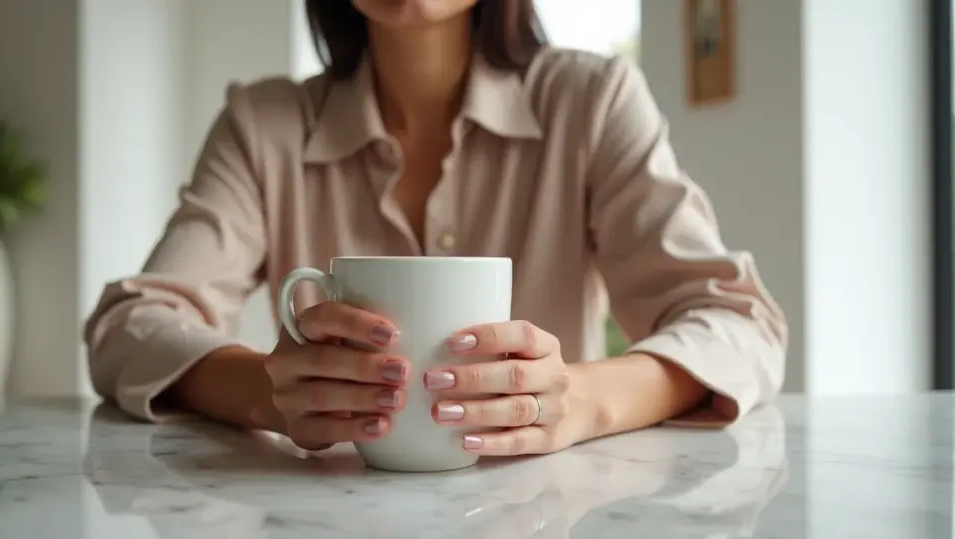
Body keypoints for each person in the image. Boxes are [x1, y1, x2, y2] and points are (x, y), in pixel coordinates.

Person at [84, 0, 787, 456]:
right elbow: (129, 324)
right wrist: (269, 388)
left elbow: (740, 323)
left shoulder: (592, 103)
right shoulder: (262, 125)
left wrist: (579, 400)